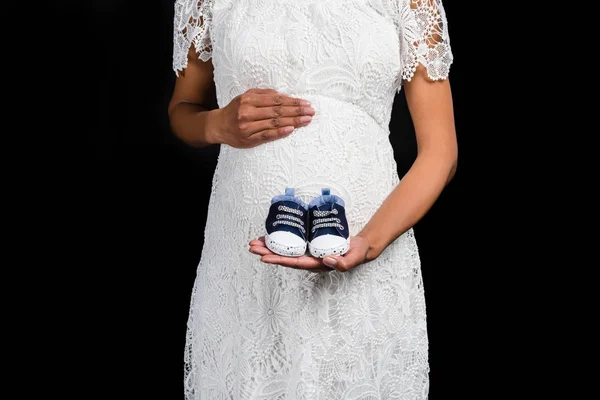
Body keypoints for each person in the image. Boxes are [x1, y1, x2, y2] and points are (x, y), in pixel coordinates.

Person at [168, 0, 457, 398]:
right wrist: (218, 123)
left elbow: (441, 152)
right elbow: (182, 110)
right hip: (243, 262)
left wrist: (369, 243)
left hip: (369, 249)